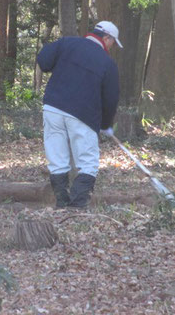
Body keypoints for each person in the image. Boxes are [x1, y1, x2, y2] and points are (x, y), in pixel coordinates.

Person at [37, 21, 121, 209]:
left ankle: (62, 203)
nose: (111, 47)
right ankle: (77, 207)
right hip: (83, 114)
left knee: (57, 158)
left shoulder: (67, 43)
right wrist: (105, 123)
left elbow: (43, 60)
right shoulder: (107, 63)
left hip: (53, 107)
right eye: (112, 42)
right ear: (106, 38)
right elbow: (110, 99)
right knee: (88, 162)